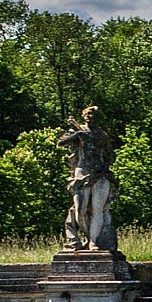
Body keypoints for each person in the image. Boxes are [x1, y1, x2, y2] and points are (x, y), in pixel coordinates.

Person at [57, 106, 118, 254]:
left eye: (94, 114)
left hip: (100, 172)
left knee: (98, 209)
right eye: (88, 113)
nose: (90, 116)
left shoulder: (102, 135)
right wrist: (77, 135)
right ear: (84, 115)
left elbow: (111, 155)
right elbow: (60, 143)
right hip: (82, 171)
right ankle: (86, 236)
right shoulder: (77, 131)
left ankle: (93, 241)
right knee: (80, 209)